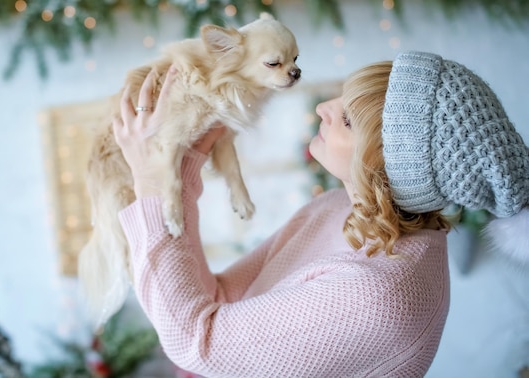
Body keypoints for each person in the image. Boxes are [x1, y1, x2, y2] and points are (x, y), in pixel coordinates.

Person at [110, 51, 529, 377]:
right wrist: (184, 167)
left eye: (346, 119)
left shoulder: (377, 297)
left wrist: (151, 182)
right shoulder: (343, 209)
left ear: (389, 165)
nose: (323, 108)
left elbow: (193, 340)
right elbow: (221, 300)